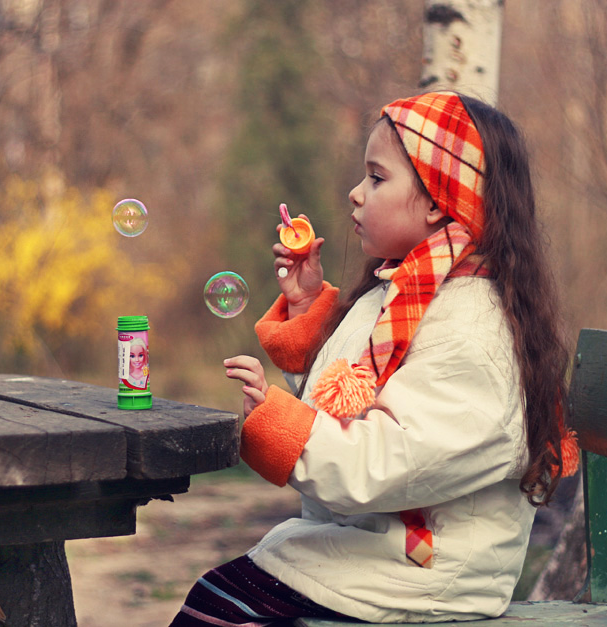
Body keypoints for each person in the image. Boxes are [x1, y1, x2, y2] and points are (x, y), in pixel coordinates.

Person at [170, 91, 578, 626]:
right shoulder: (405, 290)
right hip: (379, 545)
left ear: (437, 201)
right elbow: (355, 399)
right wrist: (307, 308)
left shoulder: (473, 331)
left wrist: (283, 429)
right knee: (226, 593)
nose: (356, 193)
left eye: (377, 178)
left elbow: (390, 460)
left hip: (426, 569)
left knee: (223, 602)